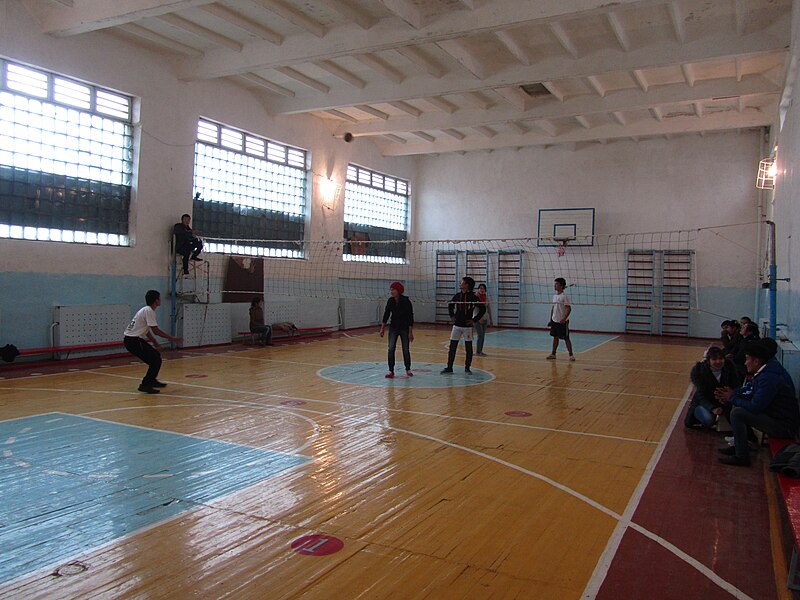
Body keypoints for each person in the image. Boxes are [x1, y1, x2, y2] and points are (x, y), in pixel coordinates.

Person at [715, 339, 800, 466]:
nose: (745, 362)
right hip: (778, 417)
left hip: (784, 427)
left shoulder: (768, 378)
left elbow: (755, 406)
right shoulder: (766, 370)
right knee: (736, 405)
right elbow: (751, 389)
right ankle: (742, 444)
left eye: (747, 359)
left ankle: (742, 456)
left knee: (737, 412)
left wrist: (732, 397)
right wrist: (734, 393)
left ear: (756, 361)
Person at [123, 290, 181, 394]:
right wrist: (171, 338)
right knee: (155, 360)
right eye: (159, 298)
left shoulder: (147, 310)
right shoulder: (149, 311)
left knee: (156, 356)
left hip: (133, 340)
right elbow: (156, 330)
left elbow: (146, 330)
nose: (160, 300)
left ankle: (151, 380)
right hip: (132, 341)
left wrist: (154, 342)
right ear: (156, 300)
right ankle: (145, 385)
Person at [686, 345, 741, 429]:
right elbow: (701, 396)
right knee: (708, 420)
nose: (718, 362)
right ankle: (695, 416)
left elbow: (736, 386)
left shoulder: (730, 368)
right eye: (714, 359)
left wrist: (727, 399)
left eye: (721, 358)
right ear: (708, 361)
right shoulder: (700, 372)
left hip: (725, 402)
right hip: (704, 402)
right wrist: (712, 408)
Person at [441, 276, 485, 375]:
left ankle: (467, 368)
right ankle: (449, 367)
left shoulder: (473, 297)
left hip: (467, 327)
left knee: (468, 348)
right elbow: (451, 305)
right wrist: (452, 315)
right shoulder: (457, 296)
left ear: (467, 285)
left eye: (462, 282)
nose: (460, 284)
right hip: (456, 326)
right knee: (453, 347)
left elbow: (482, 309)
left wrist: (474, 320)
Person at [379, 281, 414, 378]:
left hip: (404, 328)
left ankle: (408, 369)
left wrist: (410, 332)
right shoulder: (390, 301)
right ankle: (391, 371)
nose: (391, 292)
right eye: (390, 290)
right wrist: (382, 328)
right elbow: (386, 314)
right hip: (393, 327)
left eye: (393, 289)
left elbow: (410, 317)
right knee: (391, 349)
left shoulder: (406, 301)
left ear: (398, 290)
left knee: (405, 349)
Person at [547, 277, 575, 361]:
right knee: (555, 337)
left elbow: (568, 308)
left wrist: (564, 318)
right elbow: (553, 308)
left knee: (566, 338)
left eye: (557, 284)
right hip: (554, 320)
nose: (555, 286)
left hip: (562, 322)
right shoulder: (555, 296)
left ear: (561, 286)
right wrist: (550, 319)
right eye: (555, 284)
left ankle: (571, 355)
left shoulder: (564, 296)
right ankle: (553, 354)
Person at [474, 283, 492, 356]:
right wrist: (479, 318)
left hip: (485, 319)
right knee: (480, 335)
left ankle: (480, 351)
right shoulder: (476, 297)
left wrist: (491, 319)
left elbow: (489, 309)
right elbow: (475, 310)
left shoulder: (486, 298)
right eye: (480, 288)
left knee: (483, 336)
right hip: (477, 319)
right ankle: (477, 352)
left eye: (483, 288)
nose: (482, 290)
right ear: (478, 289)